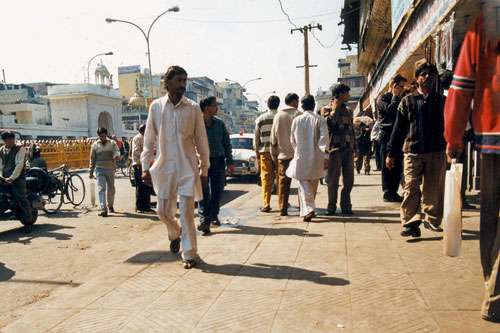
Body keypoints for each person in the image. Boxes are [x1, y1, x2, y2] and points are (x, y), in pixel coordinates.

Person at [443, 7, 500, 323]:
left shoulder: (486, 22)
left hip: (491, 136)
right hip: (491, 136)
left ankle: (491, 286)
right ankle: (495, 295)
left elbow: (461, 87)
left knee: (490, 215)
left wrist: (453, 138)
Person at [141, 65, 209, 269]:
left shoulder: (193, 108)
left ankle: (189, 255)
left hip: (187, 168)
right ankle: (174, 233)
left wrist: (204, 170)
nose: (182, 85)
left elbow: (201, 141)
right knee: (162, 211)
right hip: (164, 168)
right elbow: (149, 139)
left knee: (187, 212)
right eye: (178, 80)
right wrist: (145, 166)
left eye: (184, 81)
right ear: (167, 82)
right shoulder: (156, 107)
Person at [386, 62, 447, 237]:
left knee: (434, 188)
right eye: (424, 74)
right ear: (417, 78)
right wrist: (391, 153)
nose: (428, 77)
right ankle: (411, 222)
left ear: (435, 78)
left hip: (437, 152)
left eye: (431, 74)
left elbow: (449, 126)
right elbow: (398, 130)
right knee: (411, 186)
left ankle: (433, 220)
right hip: (412, 152)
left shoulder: (442, 101)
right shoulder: (407, 101)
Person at [286, 94, 328, 222]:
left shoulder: (296, 120)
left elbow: (292, 140)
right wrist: (326, 155)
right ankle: (309, 209)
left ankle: (309, 210)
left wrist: (298, 150)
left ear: (302, 106)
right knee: (312, 184)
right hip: (317, 157)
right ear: (314, 106)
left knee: (304, 186)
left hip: (301, 156)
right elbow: (324, 139)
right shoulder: (320, 119)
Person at [197, 96, 234, 235]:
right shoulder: (197, 124)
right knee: (203, 191)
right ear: (206, 107)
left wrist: (230, 162)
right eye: (214, 105)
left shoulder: (219, 123)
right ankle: (204, 220)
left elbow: (226, 143)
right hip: (202, 162)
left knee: (217, 190)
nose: (216, 108)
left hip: (218, 160)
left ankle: (213, 215)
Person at [324, 83, 355, 215]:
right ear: (340, 94)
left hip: (348, 148)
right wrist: (334, 110)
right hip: (335, 149)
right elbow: (330, 125)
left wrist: (355, 147)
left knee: (348, 180)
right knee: (333, 181)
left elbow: (351, 130)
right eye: (347, 93)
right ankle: (331, 207)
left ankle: (346, 206)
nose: (349, 96)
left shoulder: (348, 110)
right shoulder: (326, 109)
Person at [376, 74, 407, 202]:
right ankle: (388, 192)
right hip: (386, 135)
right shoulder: (382, 99)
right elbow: (391, 111)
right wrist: (394, 96)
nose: (401, 89)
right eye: (399, 87)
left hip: (396, 135)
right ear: (393, 85)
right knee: (387, 164)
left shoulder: (400, 99)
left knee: (397, 163)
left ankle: (394, 191)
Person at [270, 92, 301, 216]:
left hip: (283, 155)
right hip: (298, 155)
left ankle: (283, 208)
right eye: (297, 101)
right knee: (302, 183)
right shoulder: (299, 115)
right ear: (294, 102)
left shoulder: (279, 116)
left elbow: (273, 138)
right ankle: (303, 207)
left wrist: (274, 155)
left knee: (283, 183)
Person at [0, 131, 33, 230]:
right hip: (4, 177)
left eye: (13, 139)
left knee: (21, 198)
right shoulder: (1, 150)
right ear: (4, 140)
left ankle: (28, 223)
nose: (12, 141)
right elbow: (0, 165)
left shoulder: (20, 149)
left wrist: (12, 178)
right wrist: (1, 175)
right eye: (10, 139)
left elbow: (19, 165)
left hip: (18, 178)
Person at [254, 95, 279, 213]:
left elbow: (256, 138)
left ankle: (266, 203)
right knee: (280, 177)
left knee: (266, 178)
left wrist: (257, 152)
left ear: (268, 105)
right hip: (279, 152)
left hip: (264, 151)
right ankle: (282, 202)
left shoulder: (260, 119)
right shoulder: (281, 117)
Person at [89, 127, 120, 217]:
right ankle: (103, 208)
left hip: (110, 168)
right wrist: (90, 171)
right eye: (100, 136)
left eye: (103, 136)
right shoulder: (95, 145)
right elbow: (92, 159)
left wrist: (116, 156)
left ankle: (110, 205)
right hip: (100, 169)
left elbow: (117, 151)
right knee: (101, 189)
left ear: (106, 135)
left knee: (111, 189)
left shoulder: (112, 143)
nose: (102, 138)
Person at [131, 124, 151, 213]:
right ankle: (139, 207)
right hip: (139, 164)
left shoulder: (144, 138)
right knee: (140, 187)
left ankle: (146, 206)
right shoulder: (138, 138)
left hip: (145, 165)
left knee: (146, 186)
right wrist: (145, 154)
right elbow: (136, 152)